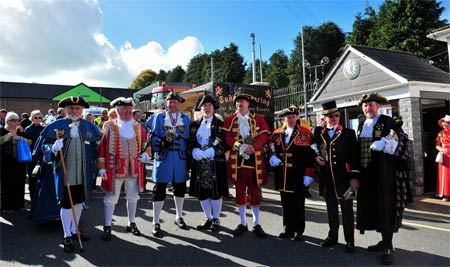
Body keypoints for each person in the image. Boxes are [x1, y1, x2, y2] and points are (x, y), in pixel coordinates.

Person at [33, 96, 100, 252]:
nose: (74, 111)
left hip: (83, 173)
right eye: (71, 108)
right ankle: (66, 235)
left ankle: (75, 229)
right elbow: (43, 148)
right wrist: (53, 148)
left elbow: (96, 150)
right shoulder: (56, 126)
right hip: (65, 173)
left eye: (77, 108)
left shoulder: (90, 127)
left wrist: (99, 166)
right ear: (66, 110)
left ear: (82, 110)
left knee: (78, 202)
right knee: (66, 203)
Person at [356, 93, 403, 265]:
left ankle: (388, 246)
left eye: (371, 105)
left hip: (383, 175)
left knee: (385, 209)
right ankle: (383, 241)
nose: (368, 108)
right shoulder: (362, 124)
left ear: (378, 106)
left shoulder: (387, 121)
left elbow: (400, 137)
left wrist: (385, 141)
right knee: (373, 209)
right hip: (366, 174)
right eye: (365, 105)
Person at [98, 97, 150, 241]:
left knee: (133, 196)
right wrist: (102, 167)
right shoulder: (109, 125)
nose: (127, 111)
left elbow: (147, 144)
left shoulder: (138, 126)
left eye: (129, 108)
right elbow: (102, 147)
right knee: (111, 198)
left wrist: (146, 154)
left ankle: (131, 222)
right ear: (117, 110)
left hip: (134, 169)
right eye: (123, 108)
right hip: (114, 169)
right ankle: (107, 225)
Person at [313, 101, 360, 253]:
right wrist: (315, 158)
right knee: (331, 211)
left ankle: (350, 240)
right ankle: (332, 236)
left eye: (336, 115)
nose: (334, 118)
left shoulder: (348, 133)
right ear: (324, 118)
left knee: (347, 212)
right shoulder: (319, 133)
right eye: (330, 116)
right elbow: (312, 148)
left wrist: (354, 177)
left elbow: (355, 157)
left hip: (345, 181)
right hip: (327, 181)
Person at [222, 88, 270, 238]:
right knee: (240, 193)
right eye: (237, 101)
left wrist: (252, 147)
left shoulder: (258, 118)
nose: (239, 103)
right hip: (238, 162)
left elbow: (264, 137)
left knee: (254, 193)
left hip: (254, 162)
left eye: (242, 101)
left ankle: (256, 223)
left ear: (248, 103)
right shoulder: (230, 119)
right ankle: (243, 222)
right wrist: (239, 146)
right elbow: (228, 138)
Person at [269, 105, 315, 241]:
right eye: (288, 117)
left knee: (298, 204)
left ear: (297, 117)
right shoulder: (277, 133)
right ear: (284, 118)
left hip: (297, 174)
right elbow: (270, 148)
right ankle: (287, 229)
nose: (290, 119)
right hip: (282, 174)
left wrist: (308, 174)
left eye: (293, 117)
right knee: (285, 203)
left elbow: (310, 155)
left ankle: (299, 230)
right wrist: (272, 157)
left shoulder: (305, 133)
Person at [148, 92, 191, 237]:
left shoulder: (186, 118)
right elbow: (150, 135)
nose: (172, 104)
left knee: (180, 188)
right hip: (163, 158)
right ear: (166, 103)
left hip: (180, 159)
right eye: (169, 102)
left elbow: (190, 138)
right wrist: (160, 144)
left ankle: (179, 216)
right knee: (159, 189)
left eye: (175, 102)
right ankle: (155, 221)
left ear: (179, 103)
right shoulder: (158, 117)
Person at [188, 94, 228, 232]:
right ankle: (208, 217)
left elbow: (225, 142)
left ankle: (216, 218)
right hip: (199, 163)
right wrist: (194, 152)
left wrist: (212, 151)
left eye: (209, 105)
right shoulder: (194, 125)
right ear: (201, 108)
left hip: (215, 163)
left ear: (213, 108)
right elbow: (189, 142)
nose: (207, 108)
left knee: (215, 192)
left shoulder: (220, 124)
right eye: (204, 105)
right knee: (202, 192)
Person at [0, 112, 31, 212]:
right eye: (12, 120)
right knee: (6, 184)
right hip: (5, 162)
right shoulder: (2, 131)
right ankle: (7, 207)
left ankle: (19, 205)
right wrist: (8, 136)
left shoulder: (21, 131)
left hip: (20, 162)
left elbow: (30, 142)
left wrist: (20, 137)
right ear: (7, 121)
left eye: (17, 120)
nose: (15, 122)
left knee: (19, 183)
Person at [24, 110, 45, 201]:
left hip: (42, 157)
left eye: (39, 117)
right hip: (32, 157)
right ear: (32, 118)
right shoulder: (28, 129)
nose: (37, 119)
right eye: (35, 117)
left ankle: (40, 197)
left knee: (41, 177)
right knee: (32, 177)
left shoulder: (44, 128)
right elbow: (27, 143)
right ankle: (33, 197)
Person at [435, 115, 450, 201]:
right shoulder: (440, 133)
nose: (445, 127)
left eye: (447, 126)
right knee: (444, 176)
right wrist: (441, 149)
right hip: (444, 157)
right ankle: (445, 194)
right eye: (444, 126)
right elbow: (437, 145)